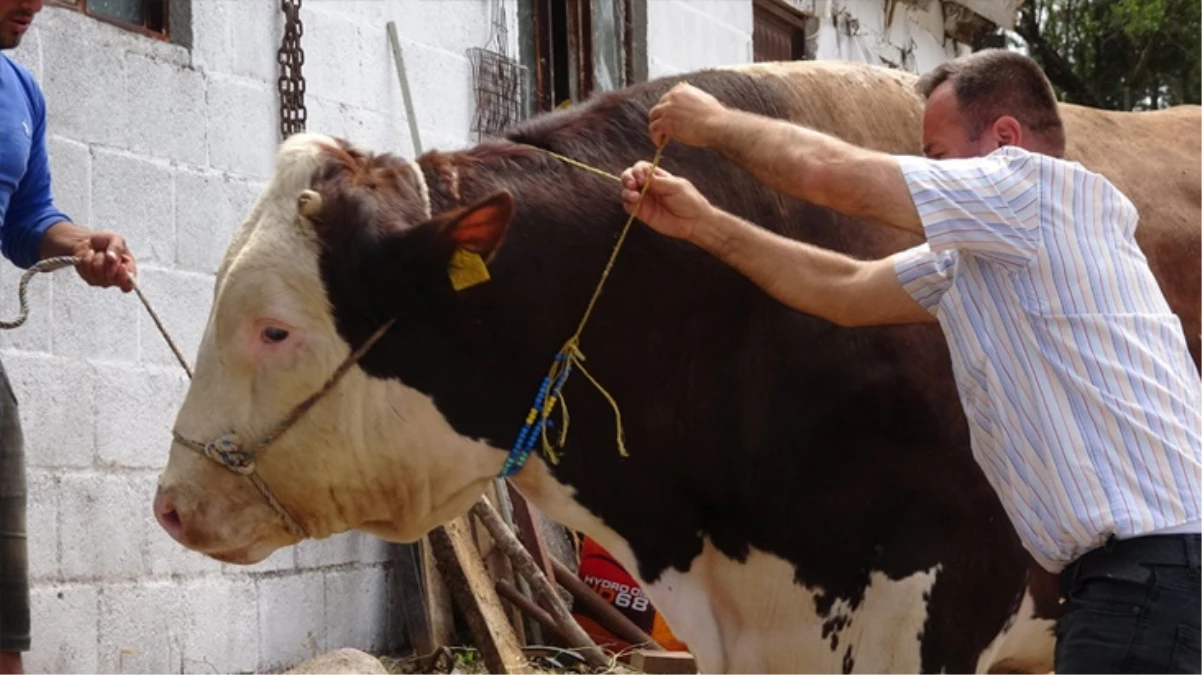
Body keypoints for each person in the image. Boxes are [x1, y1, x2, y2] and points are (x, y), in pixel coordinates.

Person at [620, 49, 1202, 673]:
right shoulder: (984, 257)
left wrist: (714, 124)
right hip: (1138, 583)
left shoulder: (1029, 194)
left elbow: (827, 173)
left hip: (1148, 581)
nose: (932, 175)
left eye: (938, 158)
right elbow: (840, 289)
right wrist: (703, 225)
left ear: (1005, 139)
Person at [2, 1, 138, 673]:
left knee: (3, 595)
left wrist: (85, 244)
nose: (31, 5)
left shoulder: (19, 89)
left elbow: (28, 218)